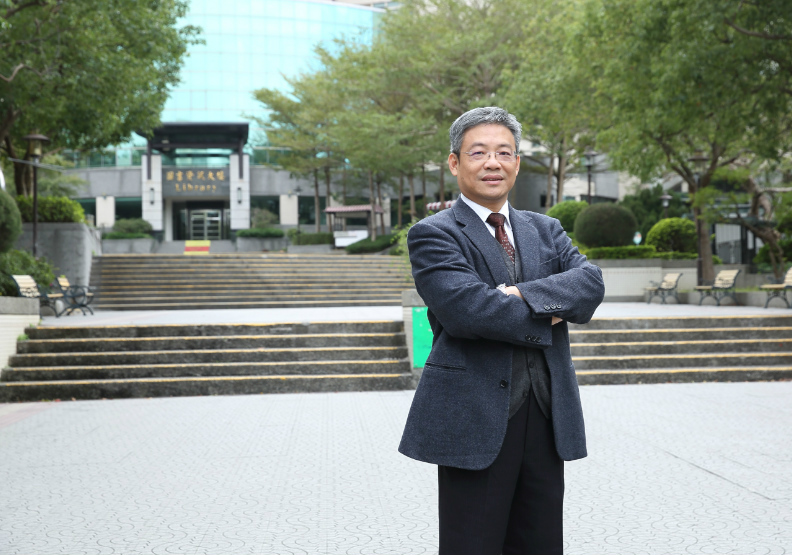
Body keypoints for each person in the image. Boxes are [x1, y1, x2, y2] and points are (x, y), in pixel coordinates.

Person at [399, 107, 605, 555]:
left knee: (542, 543)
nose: (493, 162)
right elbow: (468, 312)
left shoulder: (545, 228)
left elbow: (590, 285)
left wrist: (519, 295)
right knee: (472, 543)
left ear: (515, 161)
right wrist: (551, 305)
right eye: (479, 152)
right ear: (455, 163)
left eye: (504, 152)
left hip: (549, 412)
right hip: (474, 415)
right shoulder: (433, 234)